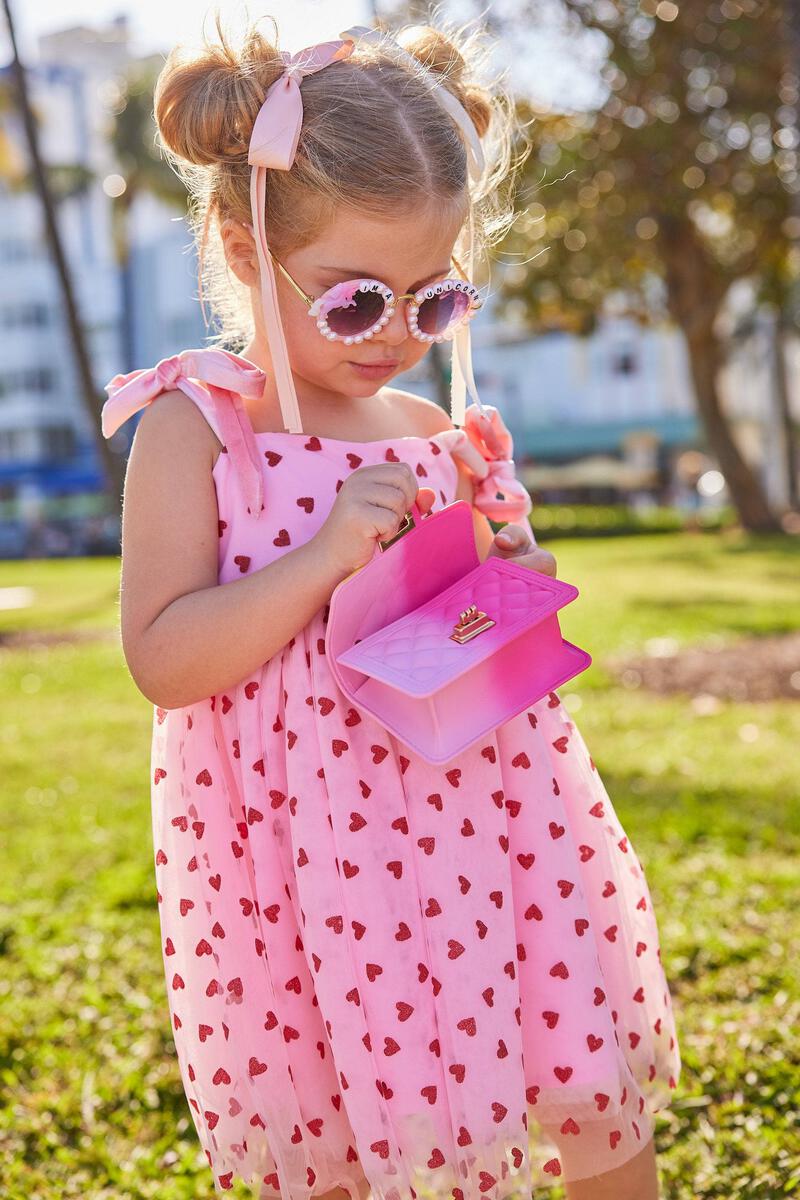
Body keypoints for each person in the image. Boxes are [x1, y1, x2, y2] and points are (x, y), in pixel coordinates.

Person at [100, 15, 681, 1200]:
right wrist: (318, 559)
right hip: (304, 869)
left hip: (489, 831)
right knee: (350, 1120)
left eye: (434, 304)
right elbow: (163, 658)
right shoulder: (195, 429)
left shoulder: (429, 437)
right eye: (357, 302)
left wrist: (507, 560)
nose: (397, 341)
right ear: (240, 242)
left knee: (573, 1059)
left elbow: (465, 643)